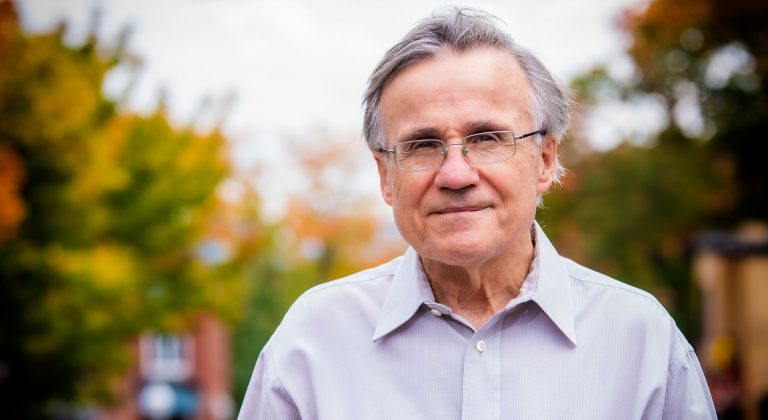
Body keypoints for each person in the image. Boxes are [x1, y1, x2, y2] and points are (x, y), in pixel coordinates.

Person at [238, 7, 716, 419]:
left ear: (545, 160)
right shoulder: (311, 344)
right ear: (385, 176)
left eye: (487, 138)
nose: (456, 174)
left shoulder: (642, 343)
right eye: (423, 145)